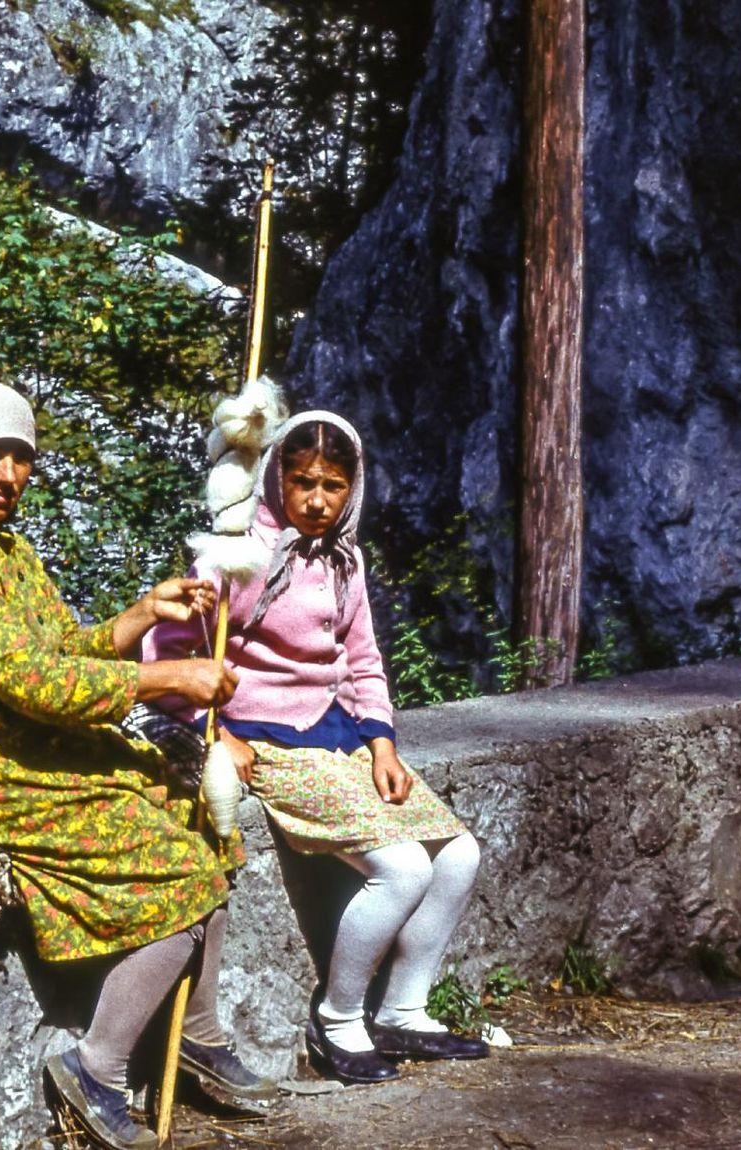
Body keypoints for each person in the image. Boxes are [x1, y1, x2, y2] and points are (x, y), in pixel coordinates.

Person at [0, 376, 279, 1150]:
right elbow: (35, 684)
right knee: (178, 870)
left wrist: (135, 618)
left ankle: (194, 1033)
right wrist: (166, 675)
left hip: (38, 748)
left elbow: (56, 651)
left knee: (202, 816)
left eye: (20, 457)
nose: (8, 475)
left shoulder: (4, 549)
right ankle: (96, 1065)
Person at [145, 411, 486, 1084]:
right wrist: (219, 732)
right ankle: (339, 1020)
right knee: (403, 869)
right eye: (304, 483)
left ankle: (404, 1011)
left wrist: (383, 744)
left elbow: (362, 662)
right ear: (277, 478)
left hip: (339, 735)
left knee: (457, 854)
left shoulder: (344, 560)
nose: (319, 501)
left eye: (333, 485)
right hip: (271, 742)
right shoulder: (236, 554)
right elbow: (169, 654)